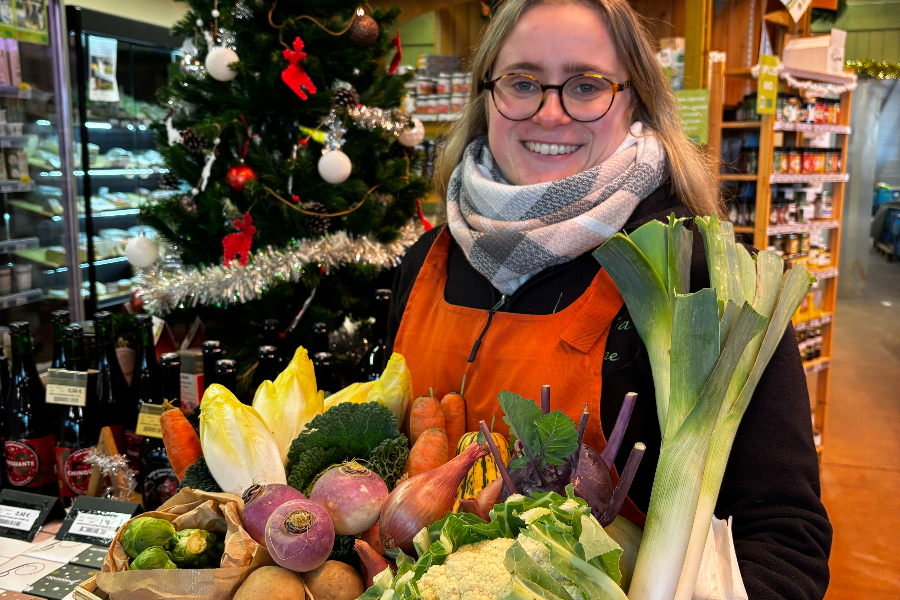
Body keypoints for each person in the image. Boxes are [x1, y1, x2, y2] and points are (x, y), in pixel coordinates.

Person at [386, 0, 831, 598]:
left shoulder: (702, 279)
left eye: (586, 85)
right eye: (522, 82)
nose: (550, 113)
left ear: (636, 98)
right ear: (486, 95)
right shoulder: (426, 260)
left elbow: (782, 534)